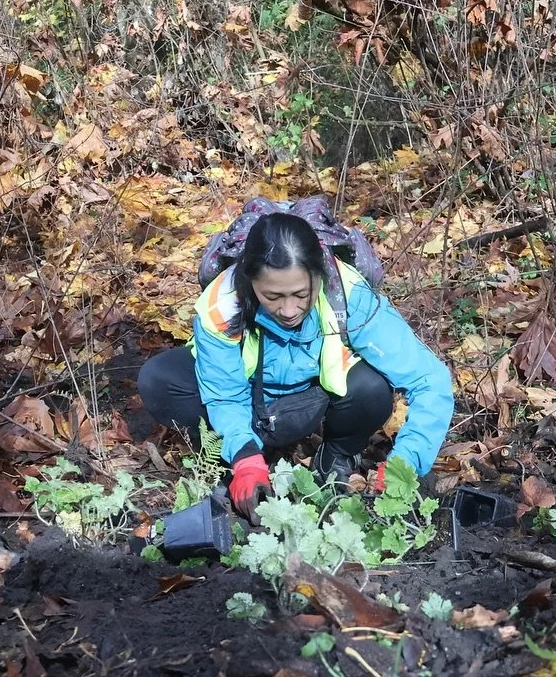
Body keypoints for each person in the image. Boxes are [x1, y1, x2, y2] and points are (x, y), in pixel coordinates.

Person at [137, 212, 454, 522]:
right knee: (160, 379)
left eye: (301, 294)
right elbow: (225, 396)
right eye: (272, 296)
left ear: (319, 275)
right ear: (250, 280)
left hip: (313, 400)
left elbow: (429, 379)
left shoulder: (348, 293)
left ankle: (335, 459)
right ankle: (233, 465)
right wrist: (246, 459)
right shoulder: (223, 303)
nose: (288, 310)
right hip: (248, 403)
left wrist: (404, 466)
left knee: (372, 387)